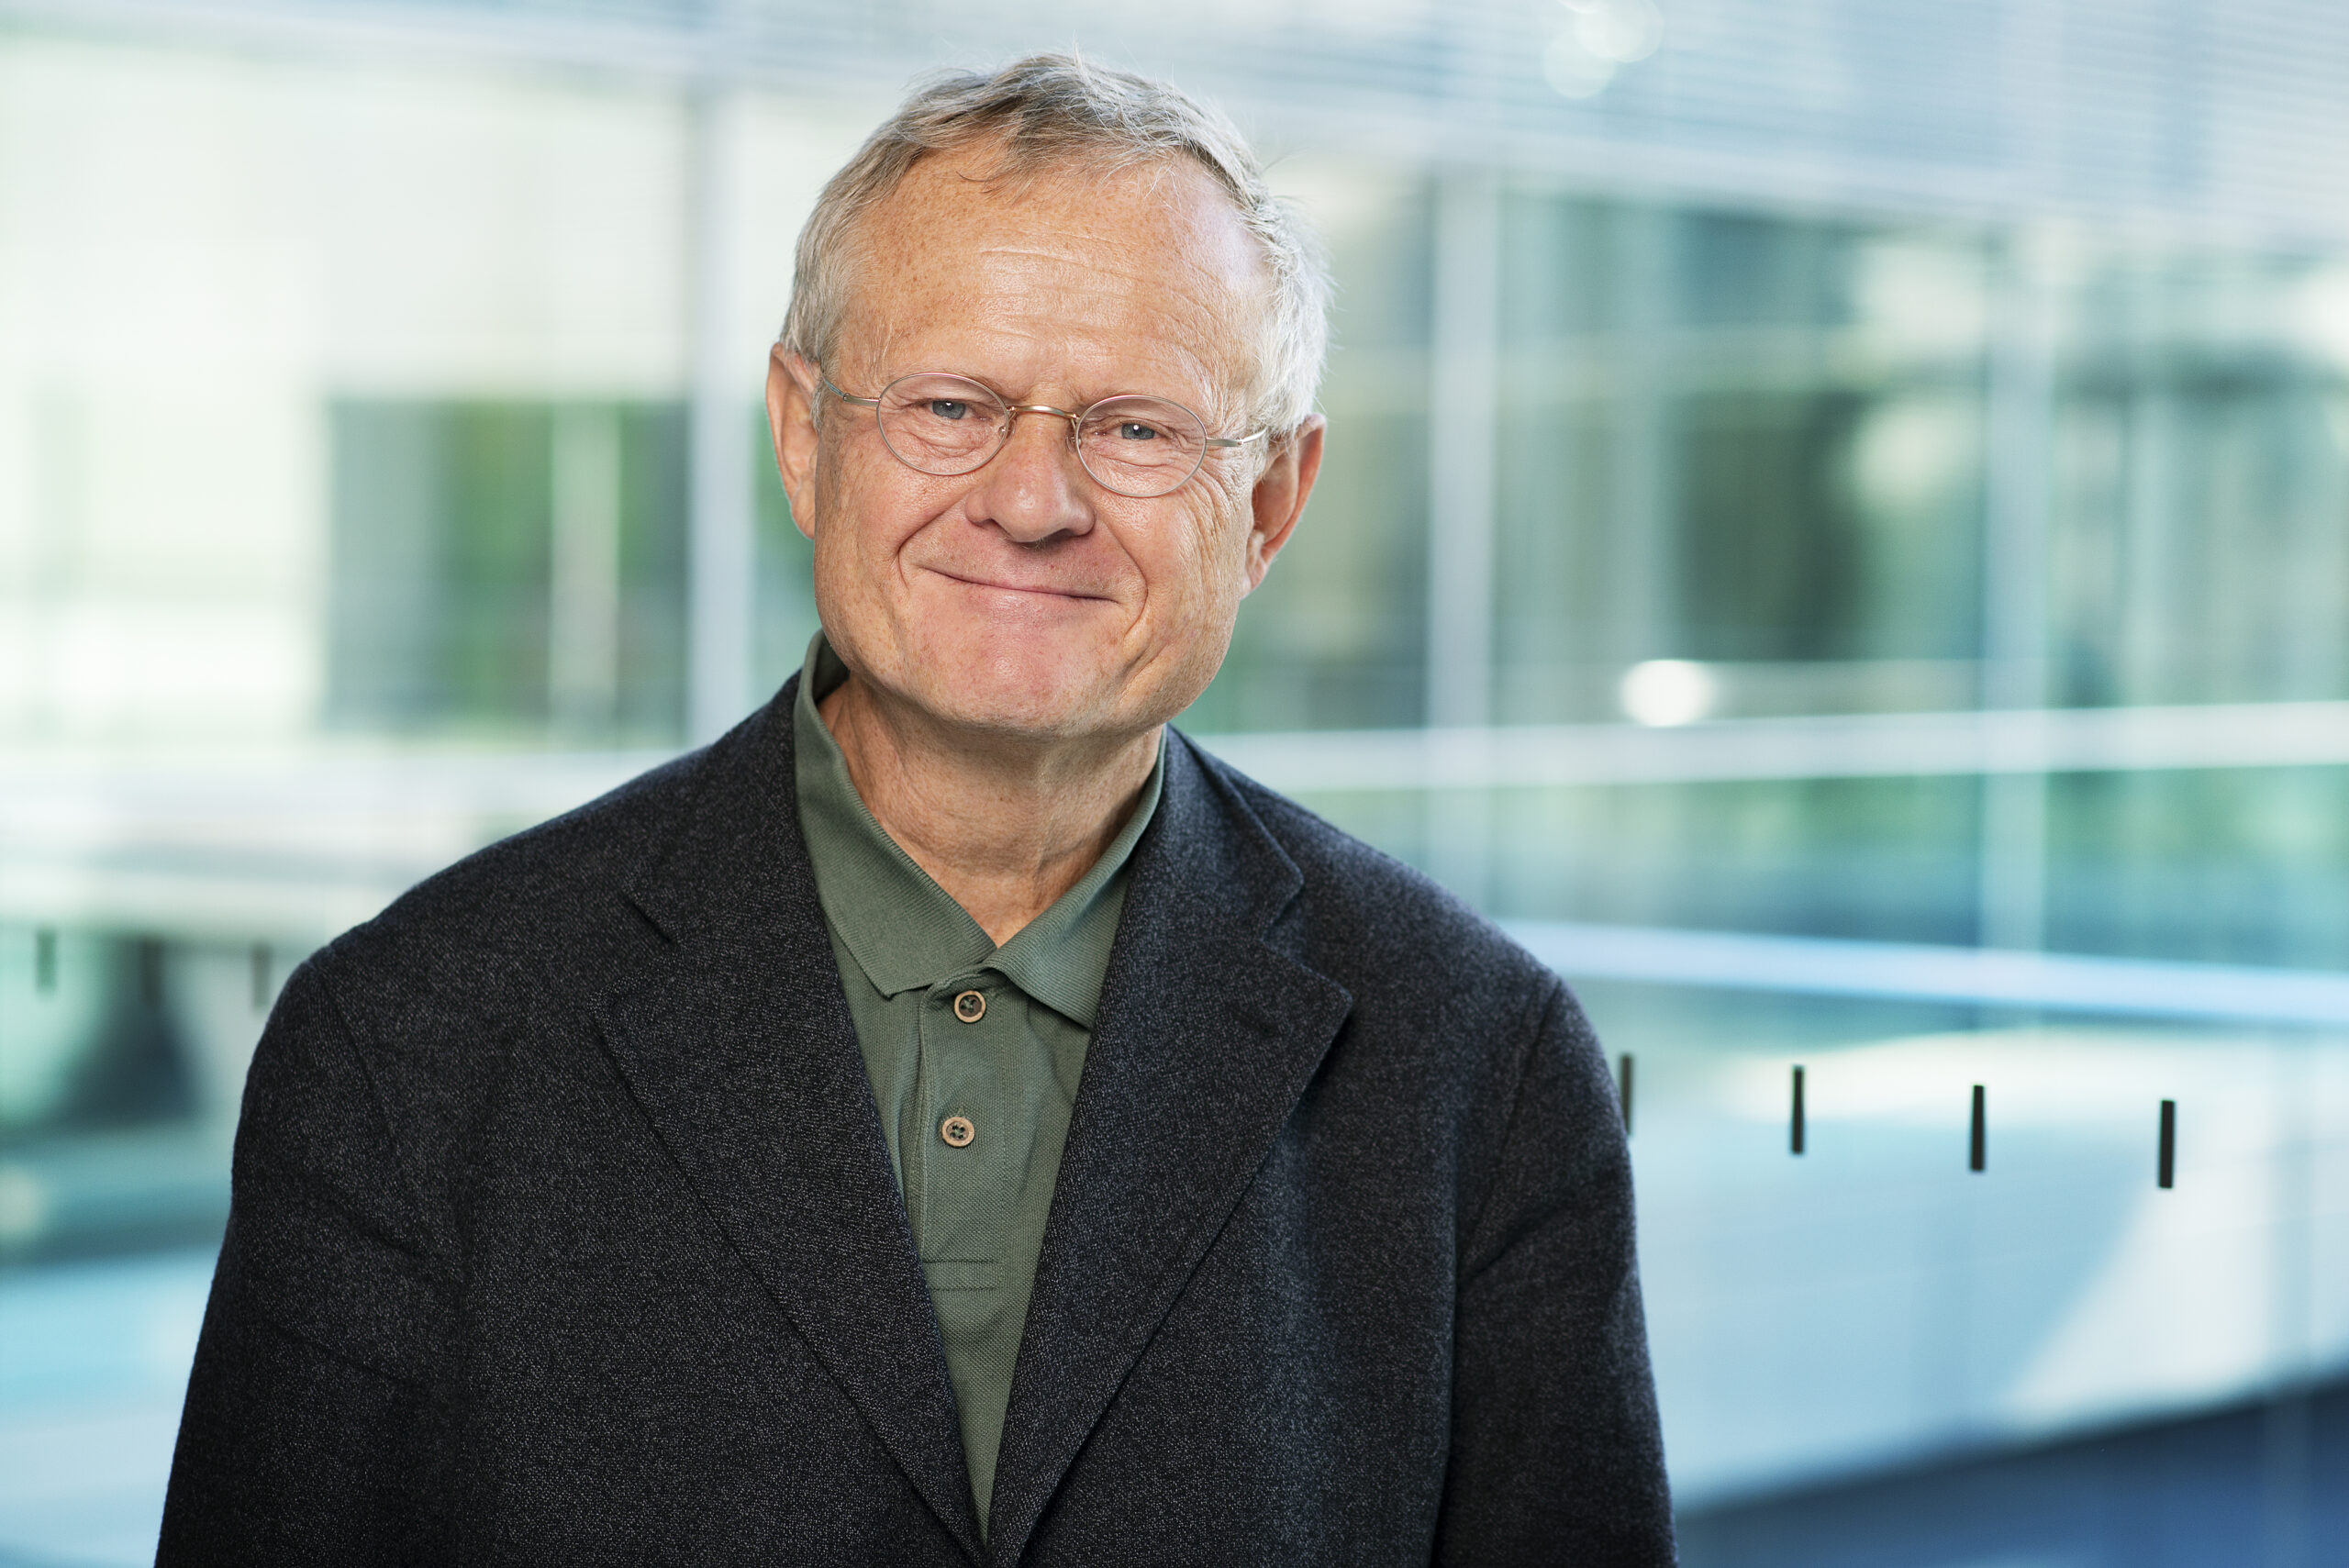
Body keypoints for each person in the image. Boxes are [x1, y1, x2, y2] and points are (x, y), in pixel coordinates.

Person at [159, 55, 1673, 1566]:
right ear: (805, 436)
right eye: (951, 407)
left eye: (1136, 428)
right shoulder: (409, 1036)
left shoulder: (1484, 1064)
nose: (1031, 500)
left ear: (1272, 501)